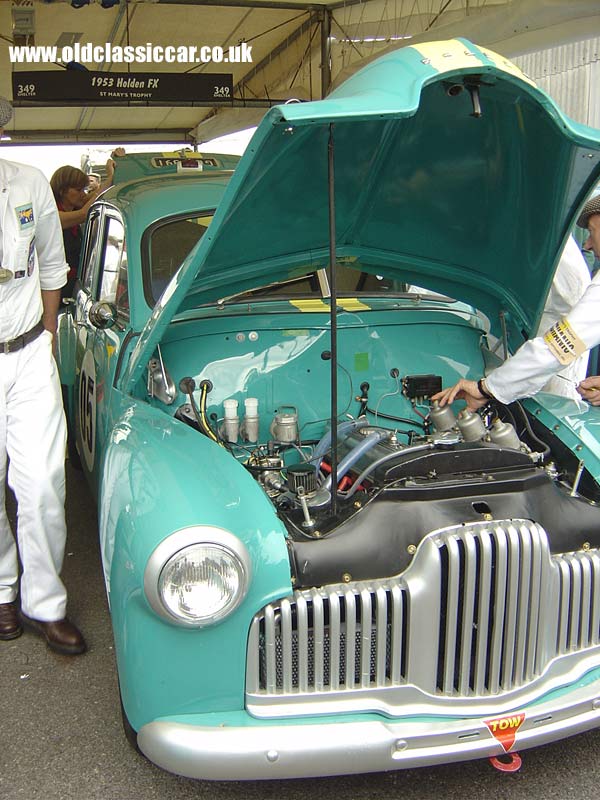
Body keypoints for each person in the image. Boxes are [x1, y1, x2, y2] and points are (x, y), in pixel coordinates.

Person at [0, 96, 86, 655]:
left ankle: (45, 602)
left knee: (43, 486)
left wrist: (50, 337)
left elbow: (53, 268)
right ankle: (2, 590)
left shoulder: (29, 182)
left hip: (30, 350)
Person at [433, 194, 600, 411]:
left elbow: (559, 347)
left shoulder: (558, 256)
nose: (586, 244)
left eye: (592, 232)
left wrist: (486, 388)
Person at [50, 148, 124, 298]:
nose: (83, 194)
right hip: (58, 286)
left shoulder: (71, 206)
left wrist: (115, 165)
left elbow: (93, 197)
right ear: (63, 190)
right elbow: (85, 212)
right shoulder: (53, 215)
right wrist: (109, 177)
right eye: (78, 190)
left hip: (74, 280)